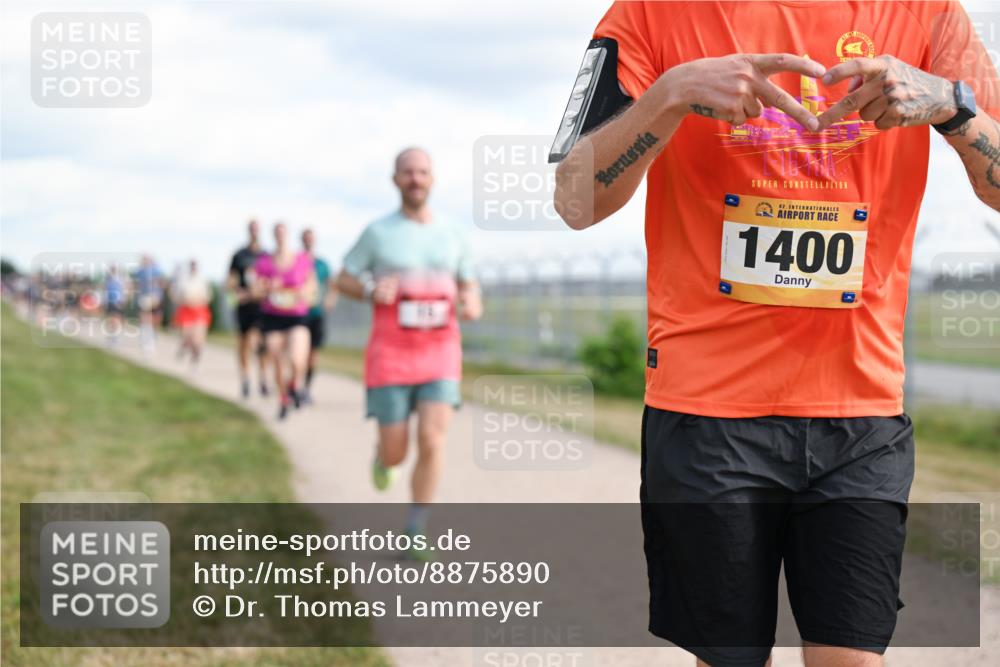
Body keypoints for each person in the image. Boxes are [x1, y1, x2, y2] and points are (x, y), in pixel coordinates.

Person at [552, 2, 1000, 666]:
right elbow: (572, 198)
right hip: (706, 407)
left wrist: (952, 104)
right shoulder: (649, 13)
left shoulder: (927, 13)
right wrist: (671, 95)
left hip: (860, 405)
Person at [337, 147, 482, 558]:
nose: (416, 179)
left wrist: (472, 302)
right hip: (391, 354)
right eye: (408, 172)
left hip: (440, 351)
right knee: (398, 448)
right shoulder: (378, 233)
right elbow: (344, 277)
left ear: (432, 179)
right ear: (395, 180)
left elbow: (469, 283)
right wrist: (368, 289)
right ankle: (385, 458)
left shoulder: (453, 233)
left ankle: (416, 529)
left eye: (422, 172)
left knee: (433, 440)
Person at [254, 222, 317, 419]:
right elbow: (255, 290)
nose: (280, 236)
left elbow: (312, 287)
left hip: (297, 316)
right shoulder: (264, 262)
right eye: (277, 232)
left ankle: (294, 385)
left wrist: (302, 292)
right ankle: (283, 398)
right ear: (273, 235)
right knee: (277, 360)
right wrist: (267, 288)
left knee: (298, 360)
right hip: (273, 316)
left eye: (283, 232)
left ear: (288, 235)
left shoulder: (301, 259)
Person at [228, 220, 269, 398]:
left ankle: (263, 378)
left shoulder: (266, 255)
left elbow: (271, 279)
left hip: (261, 306)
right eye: (252, 229)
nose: (254, 231)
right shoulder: (239, 255)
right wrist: (238, 292)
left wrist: (259, 292)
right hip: (244, 306)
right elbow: (231, 279)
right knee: (244, 343)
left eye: (256, 228)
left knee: (261, 343)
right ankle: (245, 379)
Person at [301, 227, 337, 404]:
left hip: (316, 314)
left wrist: (330, 300)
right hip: (297, 314)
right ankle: (293, 385)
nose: (308, 241)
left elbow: (333, 286)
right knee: (296, 353)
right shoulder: (296, 261)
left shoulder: (322, 264)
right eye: (306, 238)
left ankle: (306, 389)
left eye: (311, 238)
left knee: (312, 354)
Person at [171, 259, 212, 366]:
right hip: (186, 310)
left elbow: (208, 296)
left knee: (198, 337)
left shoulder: (202, 280)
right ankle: (185, 347)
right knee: (187, 335)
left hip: (199, 309)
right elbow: (176, 295)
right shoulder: (183, 280)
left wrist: (198, 300)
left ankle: (195, 357)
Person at [134, 254, 165, 353]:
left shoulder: (156, 271)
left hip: (154, 298)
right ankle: (146, 339)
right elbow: (137, 285)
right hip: (144, 298)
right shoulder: (140, 272)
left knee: (154, 320)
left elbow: (160, 283)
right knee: (145, 319)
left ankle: (151, 337)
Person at [103, 265, 126, 346]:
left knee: (116, 319)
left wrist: (122, 300)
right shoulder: (108, 280)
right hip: (110, 302)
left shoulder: (120, 280)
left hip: (117, 302)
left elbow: (123, 290)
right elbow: (105, 291)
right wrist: (105, 301)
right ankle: (111, 335)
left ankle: (115, 336)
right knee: (110, 319)